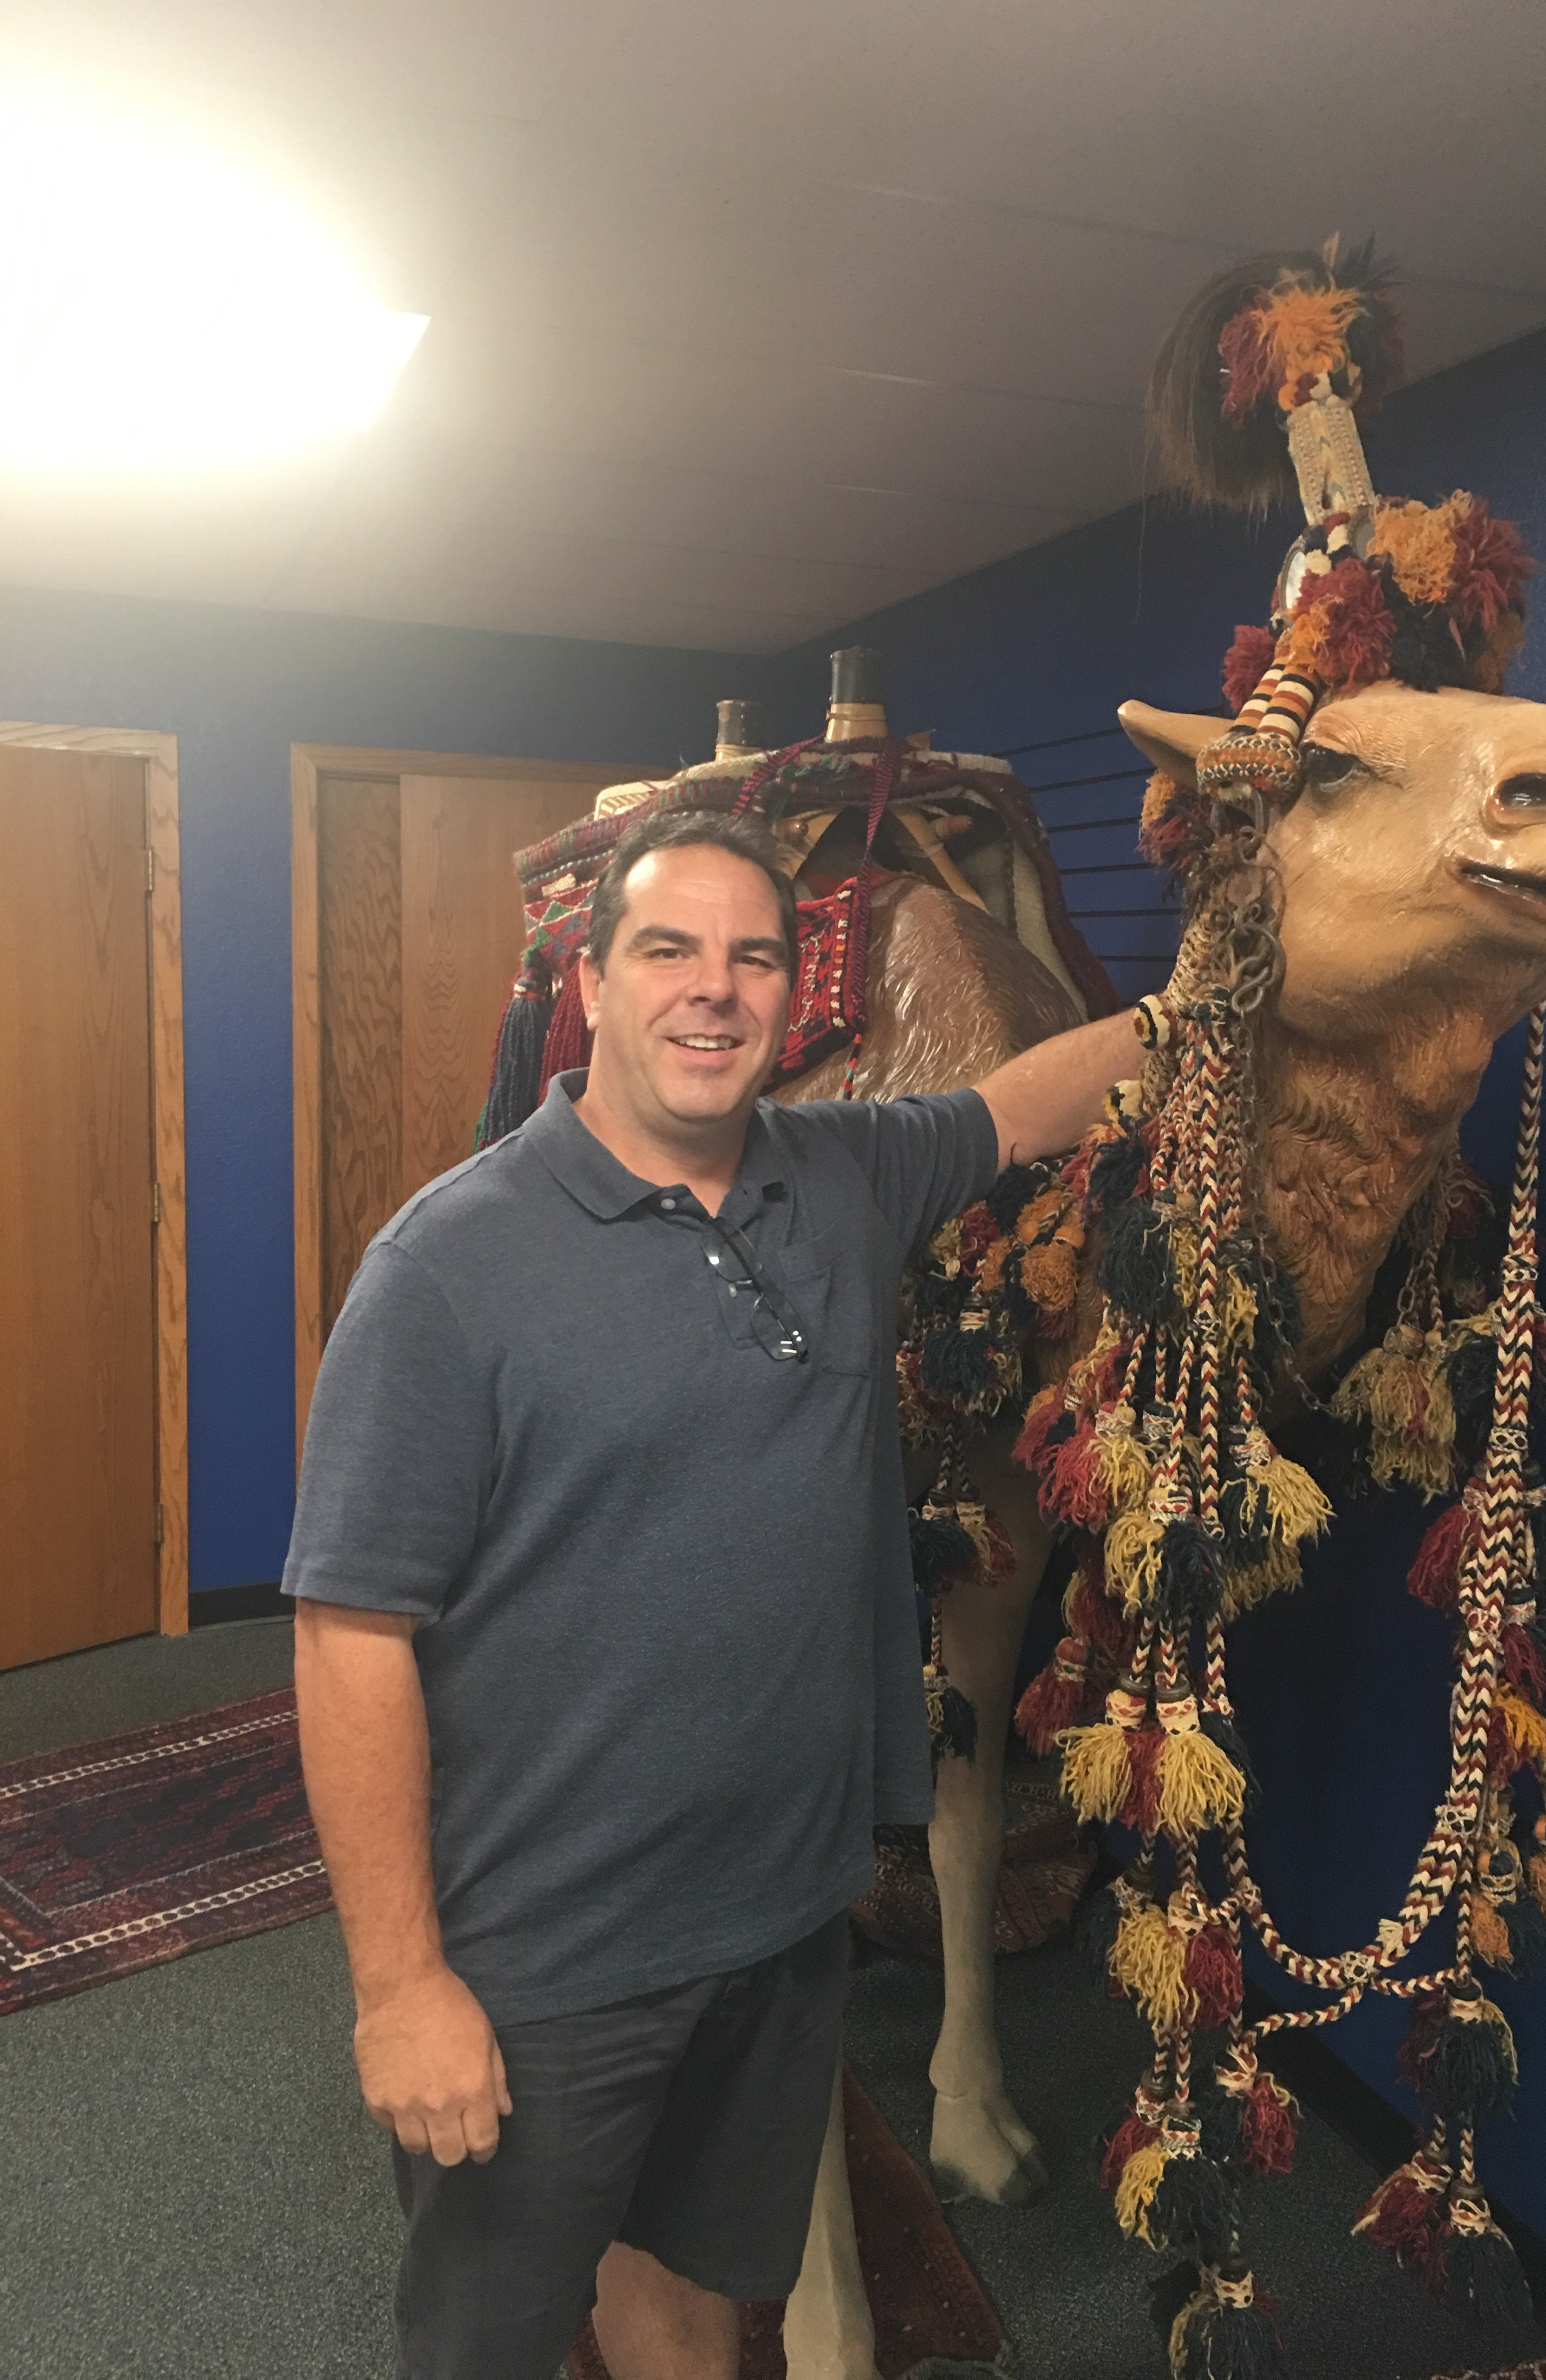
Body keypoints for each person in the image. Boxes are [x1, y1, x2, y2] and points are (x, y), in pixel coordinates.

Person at [288, 805, 1146, 2380]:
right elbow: (351, 1638)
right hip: (548, 1951)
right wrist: (400, 1987)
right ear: (590, 986)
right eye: (667, 949)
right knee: (491, 2340)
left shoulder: (843, 1173)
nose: (713, 988)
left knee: (693, 2295)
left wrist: (1207, 1006)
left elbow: (1016, 1106)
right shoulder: (444, 1271)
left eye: (754, 957)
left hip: (778, 1918)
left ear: (794, 996)